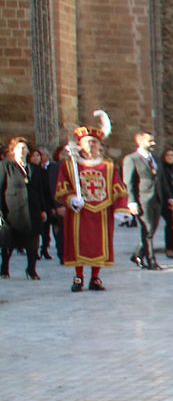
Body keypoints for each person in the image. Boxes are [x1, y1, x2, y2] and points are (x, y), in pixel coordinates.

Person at [55, 112, 127, 292]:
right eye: (88, 141)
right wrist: (71, 199)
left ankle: (95, 278)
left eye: (94, 142)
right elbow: (62, 186)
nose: (91, 144)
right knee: (78, 244)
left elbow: (118, 188)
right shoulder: (70, 165)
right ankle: (78, 276)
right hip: (79, 212)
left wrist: (121, 209)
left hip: (101, 211)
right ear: (80, 144)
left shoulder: (108, 166)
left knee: (98, 245)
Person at [123, 130, 166, 270]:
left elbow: (162, 179)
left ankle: (137, 254)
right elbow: (129, 182)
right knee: (147, 230)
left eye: (153, 140)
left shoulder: (156, 159)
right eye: (150, 141)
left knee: (151, 229)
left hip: (157, 198)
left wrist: (170, 197)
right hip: (143, 199)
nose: (153, 143)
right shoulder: (132, 159)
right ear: (140, 141)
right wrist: (132, 201)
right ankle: (152, 261)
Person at [1, 137, 42, 279]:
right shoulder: (6, 166)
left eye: (25, 148)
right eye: (19, 148)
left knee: (33, 243)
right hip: (12, 211)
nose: (22, 151)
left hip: (31, 211)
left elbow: (41, 191)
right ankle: (4, 268)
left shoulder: (34, 168)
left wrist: (44, 210)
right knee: (8, 243)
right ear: (13, 151)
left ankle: (31, 269)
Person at [29, 146, 55, 263]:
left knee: (45, 229)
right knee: (34, 231)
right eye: (34, 155)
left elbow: (47, 189)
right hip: (32, 204)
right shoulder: (28, 170)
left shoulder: (44, 172)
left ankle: (44, 249)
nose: (36, 158)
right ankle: (33, 252)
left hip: (45, 203)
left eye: (38, 155)